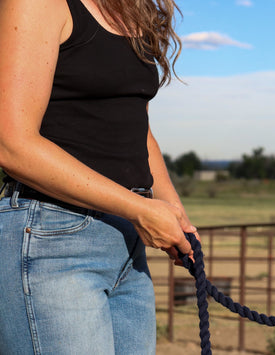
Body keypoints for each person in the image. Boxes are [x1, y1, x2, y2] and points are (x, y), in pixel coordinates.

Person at [0, 0, 198, 353]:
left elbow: (136, 126)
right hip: (52, 239)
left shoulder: (134, 13)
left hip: (125, 245)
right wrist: (139, 209)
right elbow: (12, 144)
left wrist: (171, 208)